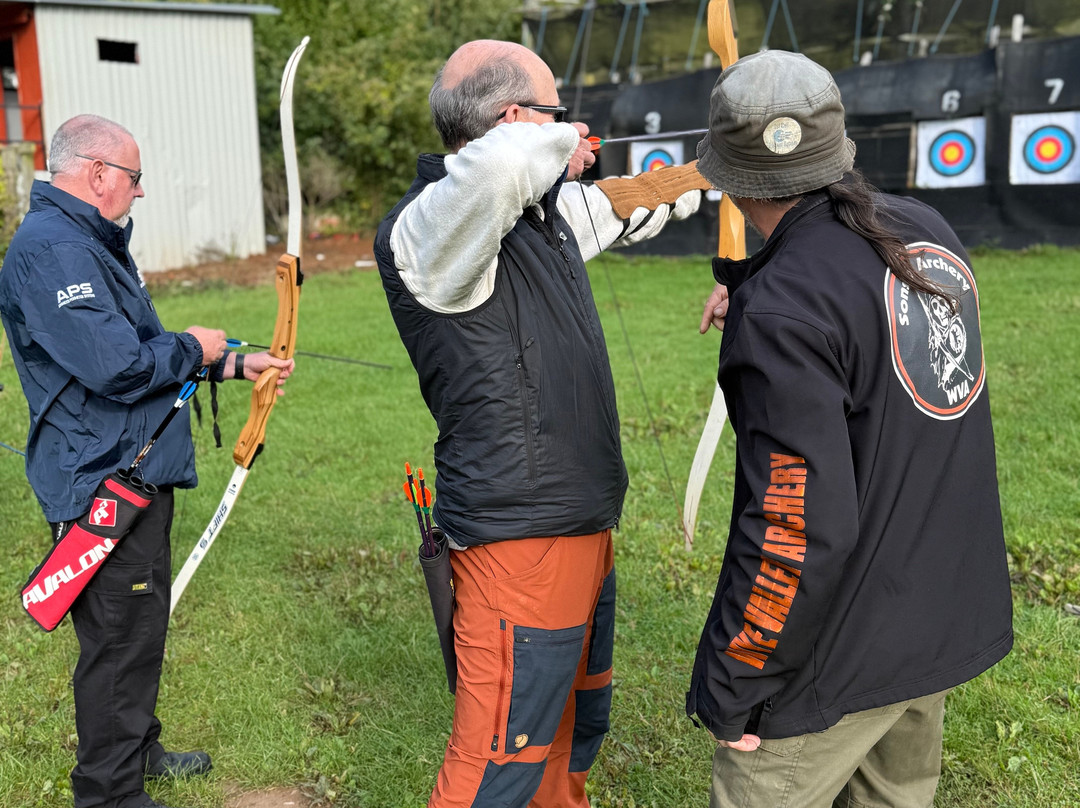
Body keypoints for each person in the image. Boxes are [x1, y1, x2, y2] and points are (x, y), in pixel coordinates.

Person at [375, 39, 710, 808]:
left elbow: (612, 206)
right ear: (516, 119)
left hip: (577, 517)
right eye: (557, 114)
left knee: (569, 729)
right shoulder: (433, 229)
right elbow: (498, 167)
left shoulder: (531, 217)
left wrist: (689, 179)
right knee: (500, 758)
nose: (574, 129)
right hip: (515, 537)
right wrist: (563, 142)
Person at [686, 50, 1013, 807]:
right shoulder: (923, 229)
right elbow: (860, 311)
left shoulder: (787, 309)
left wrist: (737, 681)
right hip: (931, 621)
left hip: (836, 665)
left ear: (729, 176)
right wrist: (756, 289)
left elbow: (796, 528)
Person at [0, 114, 294, 808]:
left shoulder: (86, 242)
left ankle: (139, 748)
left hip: (132, 465)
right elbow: (118, 366)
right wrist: (195, 346)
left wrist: (232, 363)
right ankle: (108, 793)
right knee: (116, 638)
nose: (139, 192)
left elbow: (131, 350)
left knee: (138, 625)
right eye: (133, 178)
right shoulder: (53, 251)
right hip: (98, 477)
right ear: (98, 172)